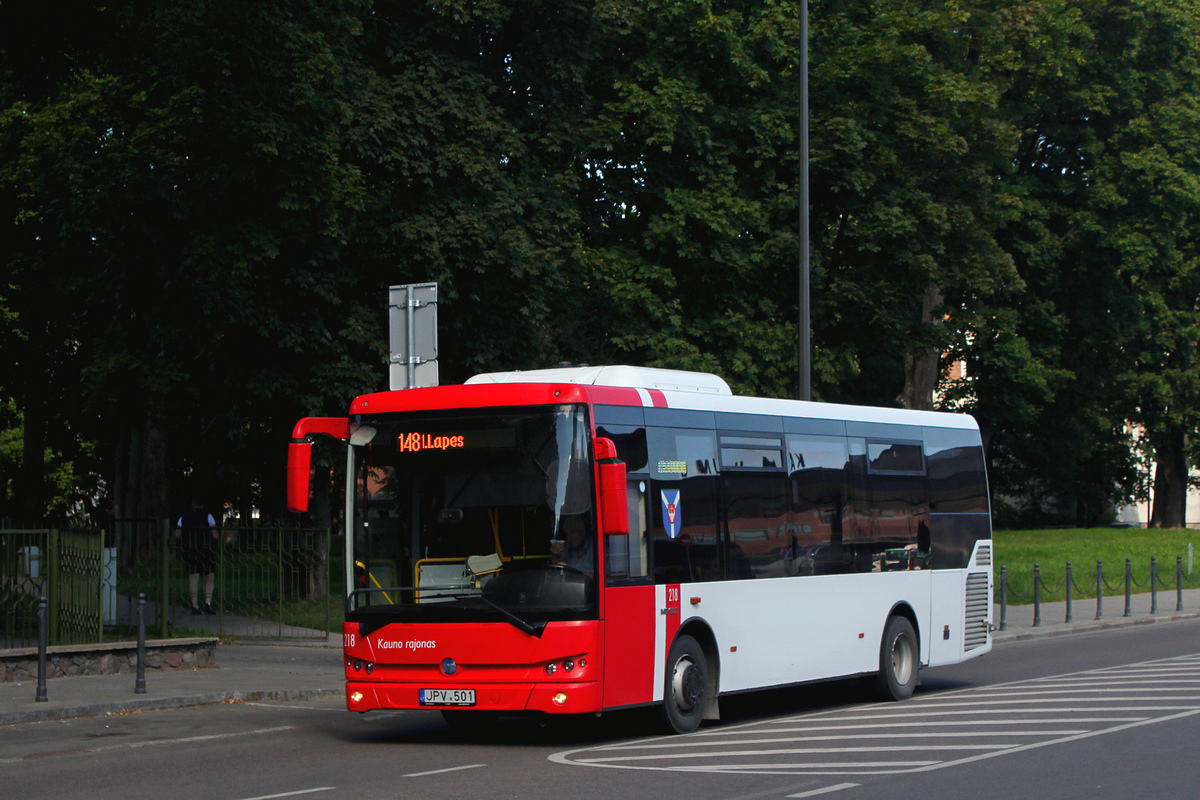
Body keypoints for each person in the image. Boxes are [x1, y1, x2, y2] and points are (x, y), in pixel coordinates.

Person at [176, 500, 218, 615]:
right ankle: (207, 603)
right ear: (202, 505)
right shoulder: (208, 517)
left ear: (192, 504)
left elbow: (177, 535)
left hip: (191, 550)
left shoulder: (183, 518)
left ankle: (194, 605)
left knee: (193, 578)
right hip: (206, 550)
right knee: (209, 577)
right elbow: (215, 535)